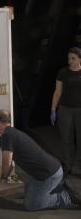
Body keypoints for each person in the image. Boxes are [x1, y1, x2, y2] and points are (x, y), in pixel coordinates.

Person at [0, 110, 81, 211]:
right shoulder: (9, 134)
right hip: (40, 174)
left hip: (49, 174)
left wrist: (3, 178)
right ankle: (56, 187)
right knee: (29, 197)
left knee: (32, 205)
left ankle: (65, 197)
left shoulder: (8, 136)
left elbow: (7, 161)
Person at [50, 47, 81, 176]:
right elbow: (57, 92)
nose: (70, 61)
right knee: (66, 138)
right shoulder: (63, 72)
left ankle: (78, 165)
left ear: (80, 59)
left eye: (73, 58)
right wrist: (53, 109)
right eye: (69, 58)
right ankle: (67, 164)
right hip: (65, 110)